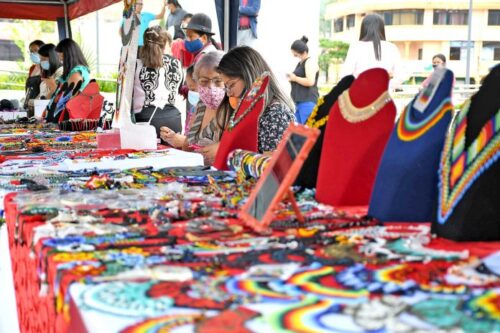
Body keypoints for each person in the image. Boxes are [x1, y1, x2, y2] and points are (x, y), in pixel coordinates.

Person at [206, 46, 295, 164]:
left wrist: (226, 152)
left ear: (249, 76)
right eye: (226, 87)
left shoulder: (276, 113)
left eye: (231, 85)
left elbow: (272, 167)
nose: (229, 93)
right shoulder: (252, 111)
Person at [160, 52, 224, 165]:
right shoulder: (200, 106)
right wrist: (177, 140)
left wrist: (223, 148)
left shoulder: (232, 110)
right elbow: (188, 144)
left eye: (218, 81)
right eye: (204, 81)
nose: (211, 87)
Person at [133, 26, 183, 138]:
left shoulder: (135, 64)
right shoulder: (176, 63)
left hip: (144, 121)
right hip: (173, 120)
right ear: (165, 43)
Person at [340, 14, 405, 90]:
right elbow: (402, 75)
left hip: (360, 95)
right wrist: (386, 85)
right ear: (381, 29)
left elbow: (345, 75)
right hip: (383, 97)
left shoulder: (356, 47)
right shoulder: (391, 47)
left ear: (363, 29)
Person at [288, 36, 319, 124]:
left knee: (306, 132)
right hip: (299, 103)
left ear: (303, 52)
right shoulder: (300, 63)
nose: (294, 56)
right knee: (298, 133)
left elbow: (310, 81)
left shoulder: (310, 62)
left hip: (307, 102)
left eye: (296, 54)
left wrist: (295, 78)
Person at [24, 40, 45, 112]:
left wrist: (36, 101)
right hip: (29, 104)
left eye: (36, 50)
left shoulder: (46, 68)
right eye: (31, 51)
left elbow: (47, 89)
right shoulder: (32, 68)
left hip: (41, 104)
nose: (33, 53)